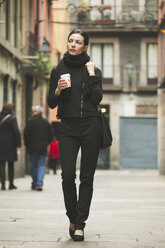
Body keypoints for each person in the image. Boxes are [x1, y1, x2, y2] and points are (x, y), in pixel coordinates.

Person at [47, 29, 102, 241]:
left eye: (78, 42)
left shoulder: (93, 69)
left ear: (85, 46)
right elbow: (51, 102)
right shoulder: (58, 69)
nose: (73, 44)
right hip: (68, 127)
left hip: (91, 126)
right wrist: (59, 90)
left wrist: (92, 77)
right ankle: (72, 216)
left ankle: (80, 224)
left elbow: (97, 99)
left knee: (87, 177)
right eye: (70, 40)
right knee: (68, 175)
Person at [24, 105, 53, 191]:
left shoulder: (30, 122)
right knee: (41, 165)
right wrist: (46, 143)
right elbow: (51, 135)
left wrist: (27, 145)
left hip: (32, 148)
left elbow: (25, 135)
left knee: (33, 165)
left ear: (35, 112)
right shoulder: (46, 122)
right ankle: (39, 183)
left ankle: (34, 182)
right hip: (43, 148)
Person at [0, 103, 21, 190]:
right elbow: (16, 132)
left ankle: (3, 184)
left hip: (0, 144)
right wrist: (18, 144)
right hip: (10, 144)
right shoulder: (12, 118)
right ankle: (11, 184)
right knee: (11, 164)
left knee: (1, 164)